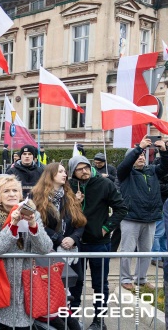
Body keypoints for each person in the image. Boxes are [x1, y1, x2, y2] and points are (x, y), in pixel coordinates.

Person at [0, 175, 53, 329]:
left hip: (25, 284)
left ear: (21, 195)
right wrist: (12, 224)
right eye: (6, 191)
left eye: (15, 190)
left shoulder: (34, 214)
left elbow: (45, 247)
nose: (12, 194)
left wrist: (33, 225)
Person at [67, 155, 127, 330]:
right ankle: (73, 318)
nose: (84, 171)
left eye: (86, 167)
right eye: (79, 168)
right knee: (75, 283)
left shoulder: (104, 184)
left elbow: (121, 208)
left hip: (99, 243)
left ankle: (99, 320)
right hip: (75, 244)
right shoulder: (68, 187)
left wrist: (106, 228)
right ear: (73, 171)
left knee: (100, 284)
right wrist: (74, 203)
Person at [31, 163, 86, 330]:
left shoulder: (69, 196)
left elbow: (81, 222)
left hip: (71, 250)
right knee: (54, 291)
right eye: (60, 171)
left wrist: (73, 238)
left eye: (65, 171)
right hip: (50, 250)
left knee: (75, 286)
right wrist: (60, 238)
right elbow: (38, 224)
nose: (65, 174)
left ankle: (73, 318)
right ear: (51, 175)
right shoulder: (37, 197)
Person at [117, 138, 168, 290]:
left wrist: (164, 151)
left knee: (146, 252)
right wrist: (139, 148)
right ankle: (125, 279)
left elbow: (165, 167)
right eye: (137, 155)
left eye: (142, 155)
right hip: (130, 218)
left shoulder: (151, 171)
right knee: (127, 250)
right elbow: (124, 165)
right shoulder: (125, 173)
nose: (140, 157)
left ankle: (141, 279)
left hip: (150, 218)